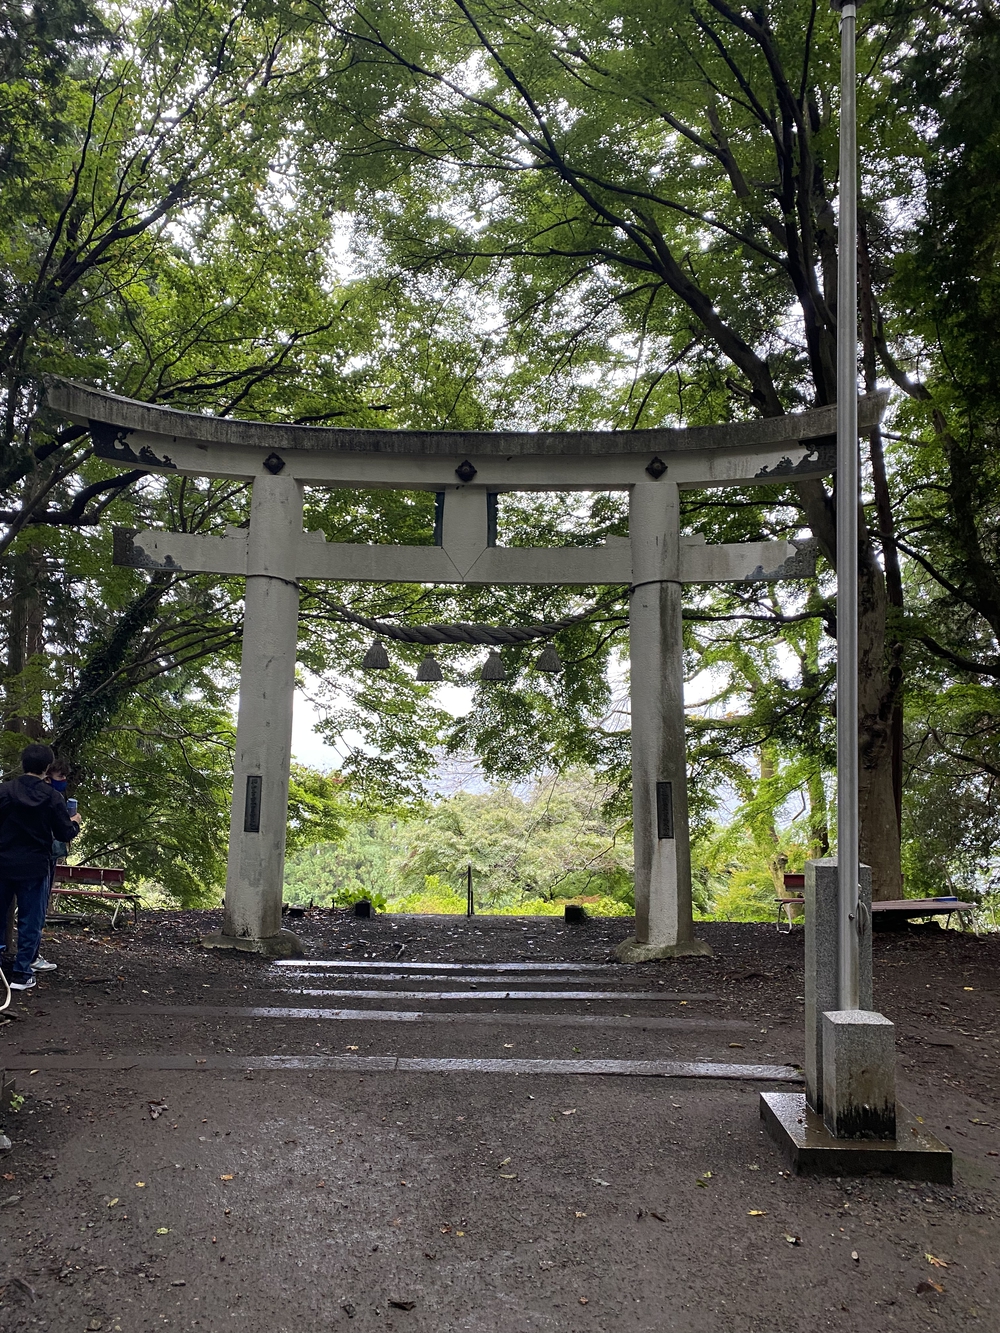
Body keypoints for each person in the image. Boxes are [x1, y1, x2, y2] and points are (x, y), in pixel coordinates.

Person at [0, 744, 80, 991]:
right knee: (30, 920)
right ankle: (22, 973)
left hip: (3, 863)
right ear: (46, 768)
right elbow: (64, 833)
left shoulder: (4, 791)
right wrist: (75, 822)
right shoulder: (52, 797)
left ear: (23, 763)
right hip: (35, 867)